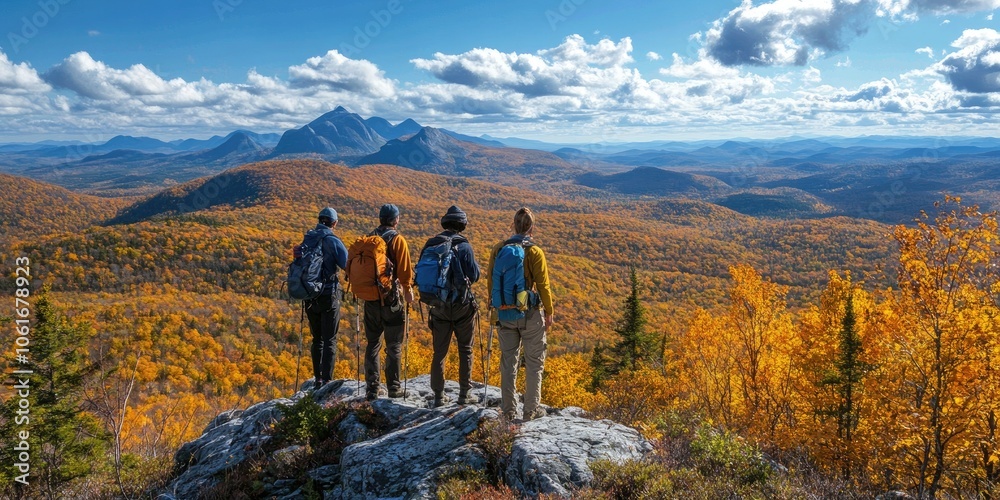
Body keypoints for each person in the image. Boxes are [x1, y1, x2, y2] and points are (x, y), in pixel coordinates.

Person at [487, 207, 555, 421]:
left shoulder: (499, 249)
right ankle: (530, 412)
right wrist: (550, 312)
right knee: (534, 362)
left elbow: (491, 283)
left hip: (505, 315)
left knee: (509, 362)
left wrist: (497, 309)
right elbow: (543, 286)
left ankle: (508, 411)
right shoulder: (534, 251)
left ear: (513, 225)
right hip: (530, 315)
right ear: (532, 228)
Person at [422, 205, 481, 407]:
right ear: (462, 225)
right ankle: (464, 394)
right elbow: (474, 275)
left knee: (439, 352)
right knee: (465, 349)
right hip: (461, 306)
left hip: (438, 305)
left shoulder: (431, 244)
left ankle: (438, 396)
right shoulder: (464, 247)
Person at [361, 204, 414, 400]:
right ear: (396, 220)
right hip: (391, 298)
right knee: (394, 344)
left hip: (370, 300)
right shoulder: (398, 240)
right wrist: (408, 291)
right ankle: (393, 388)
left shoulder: (368, 239)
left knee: (373, 342)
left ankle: (372, 388)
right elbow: (405, 271)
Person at [304, 207, 348, 390]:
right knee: (330, 338)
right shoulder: (332, 240)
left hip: (309, 295)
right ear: (334, 223)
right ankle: (327, 380)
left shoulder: (308, 238)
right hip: (328, 295)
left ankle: (317, 380)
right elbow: (347, 264)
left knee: (317, 339)